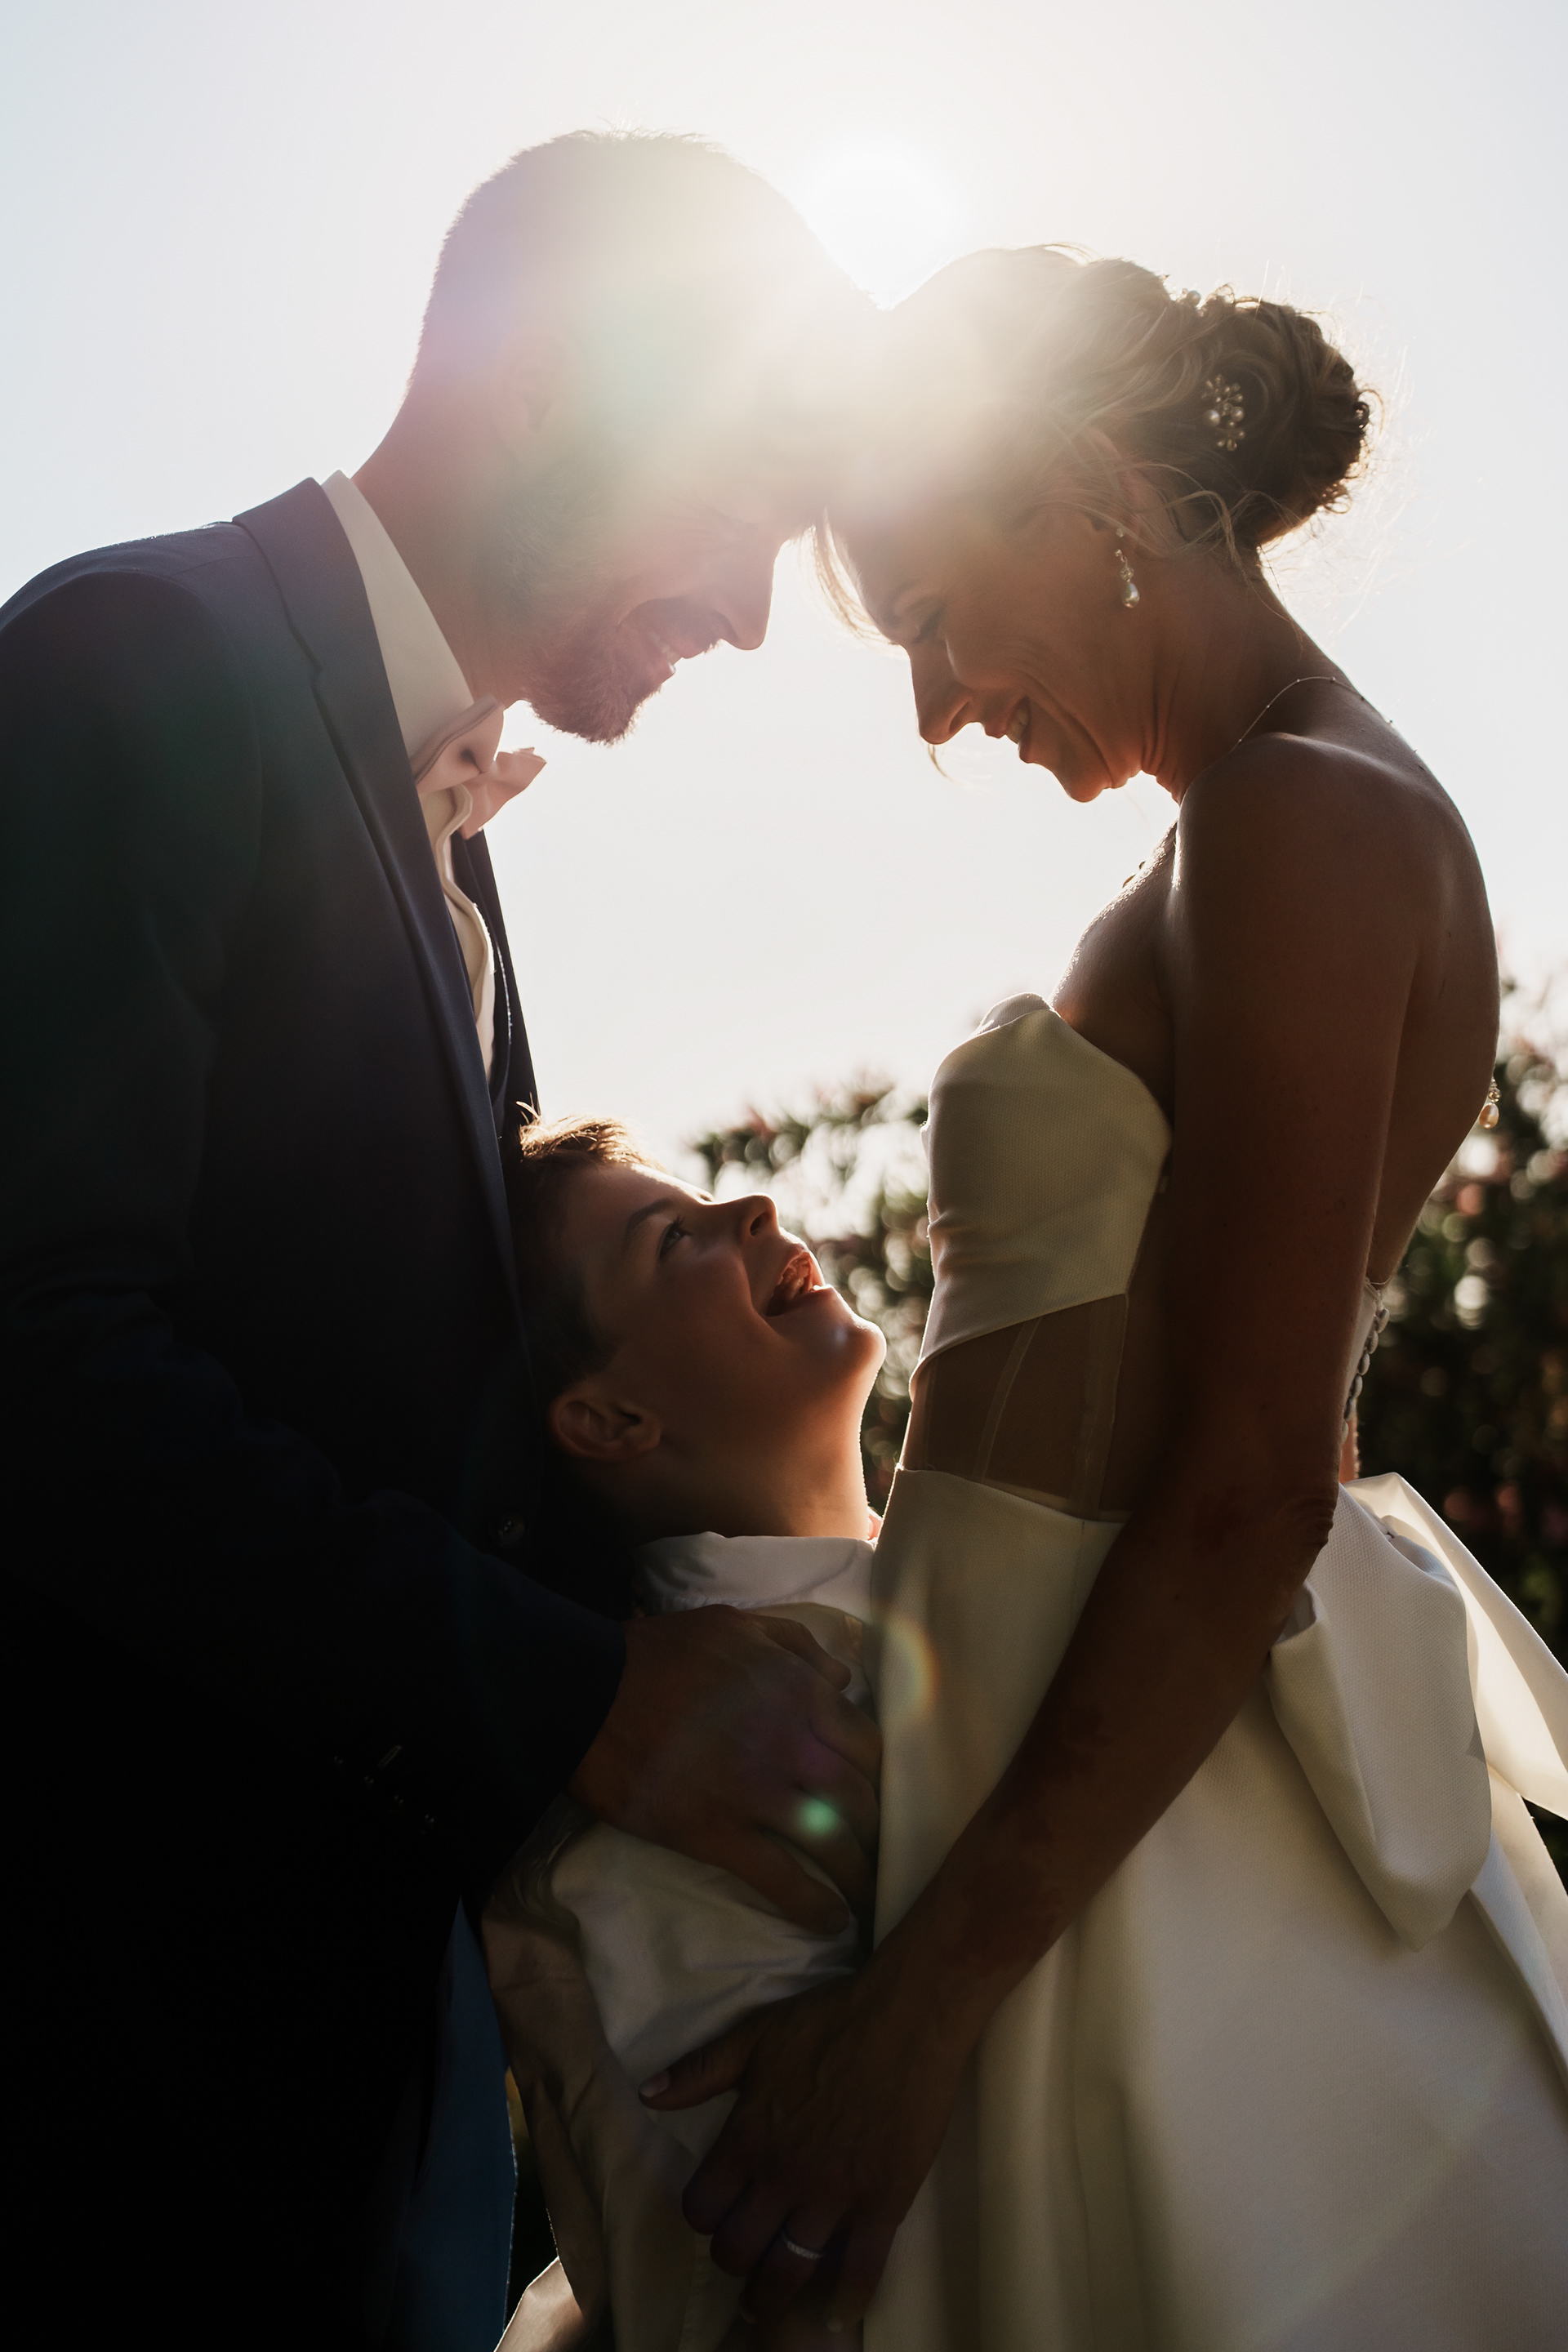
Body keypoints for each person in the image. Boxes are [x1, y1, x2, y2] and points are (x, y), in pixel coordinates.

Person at [639, 252, 1568, 2348]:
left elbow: (1255, 1480)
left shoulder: (1301, 821)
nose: (942, 704)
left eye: (938, 618)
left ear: (1087, 490)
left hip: (1119, 1855)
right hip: (1034, 1770)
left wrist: (929, 2006)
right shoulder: (1245, 825)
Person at [0, 132, 877, 2350]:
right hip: (104, 2079)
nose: (761, 610)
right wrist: (589, 1701)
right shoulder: (137, 661)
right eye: (745, 505)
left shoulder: (449, 833)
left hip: (342, 2102)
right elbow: (39, 1358)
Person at [482, 1114, 883, 2352]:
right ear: (606, 1423)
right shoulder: (665, 1837)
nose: (752, 1216)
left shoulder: (979, 1583)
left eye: (708, 1199)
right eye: (673, 1244)